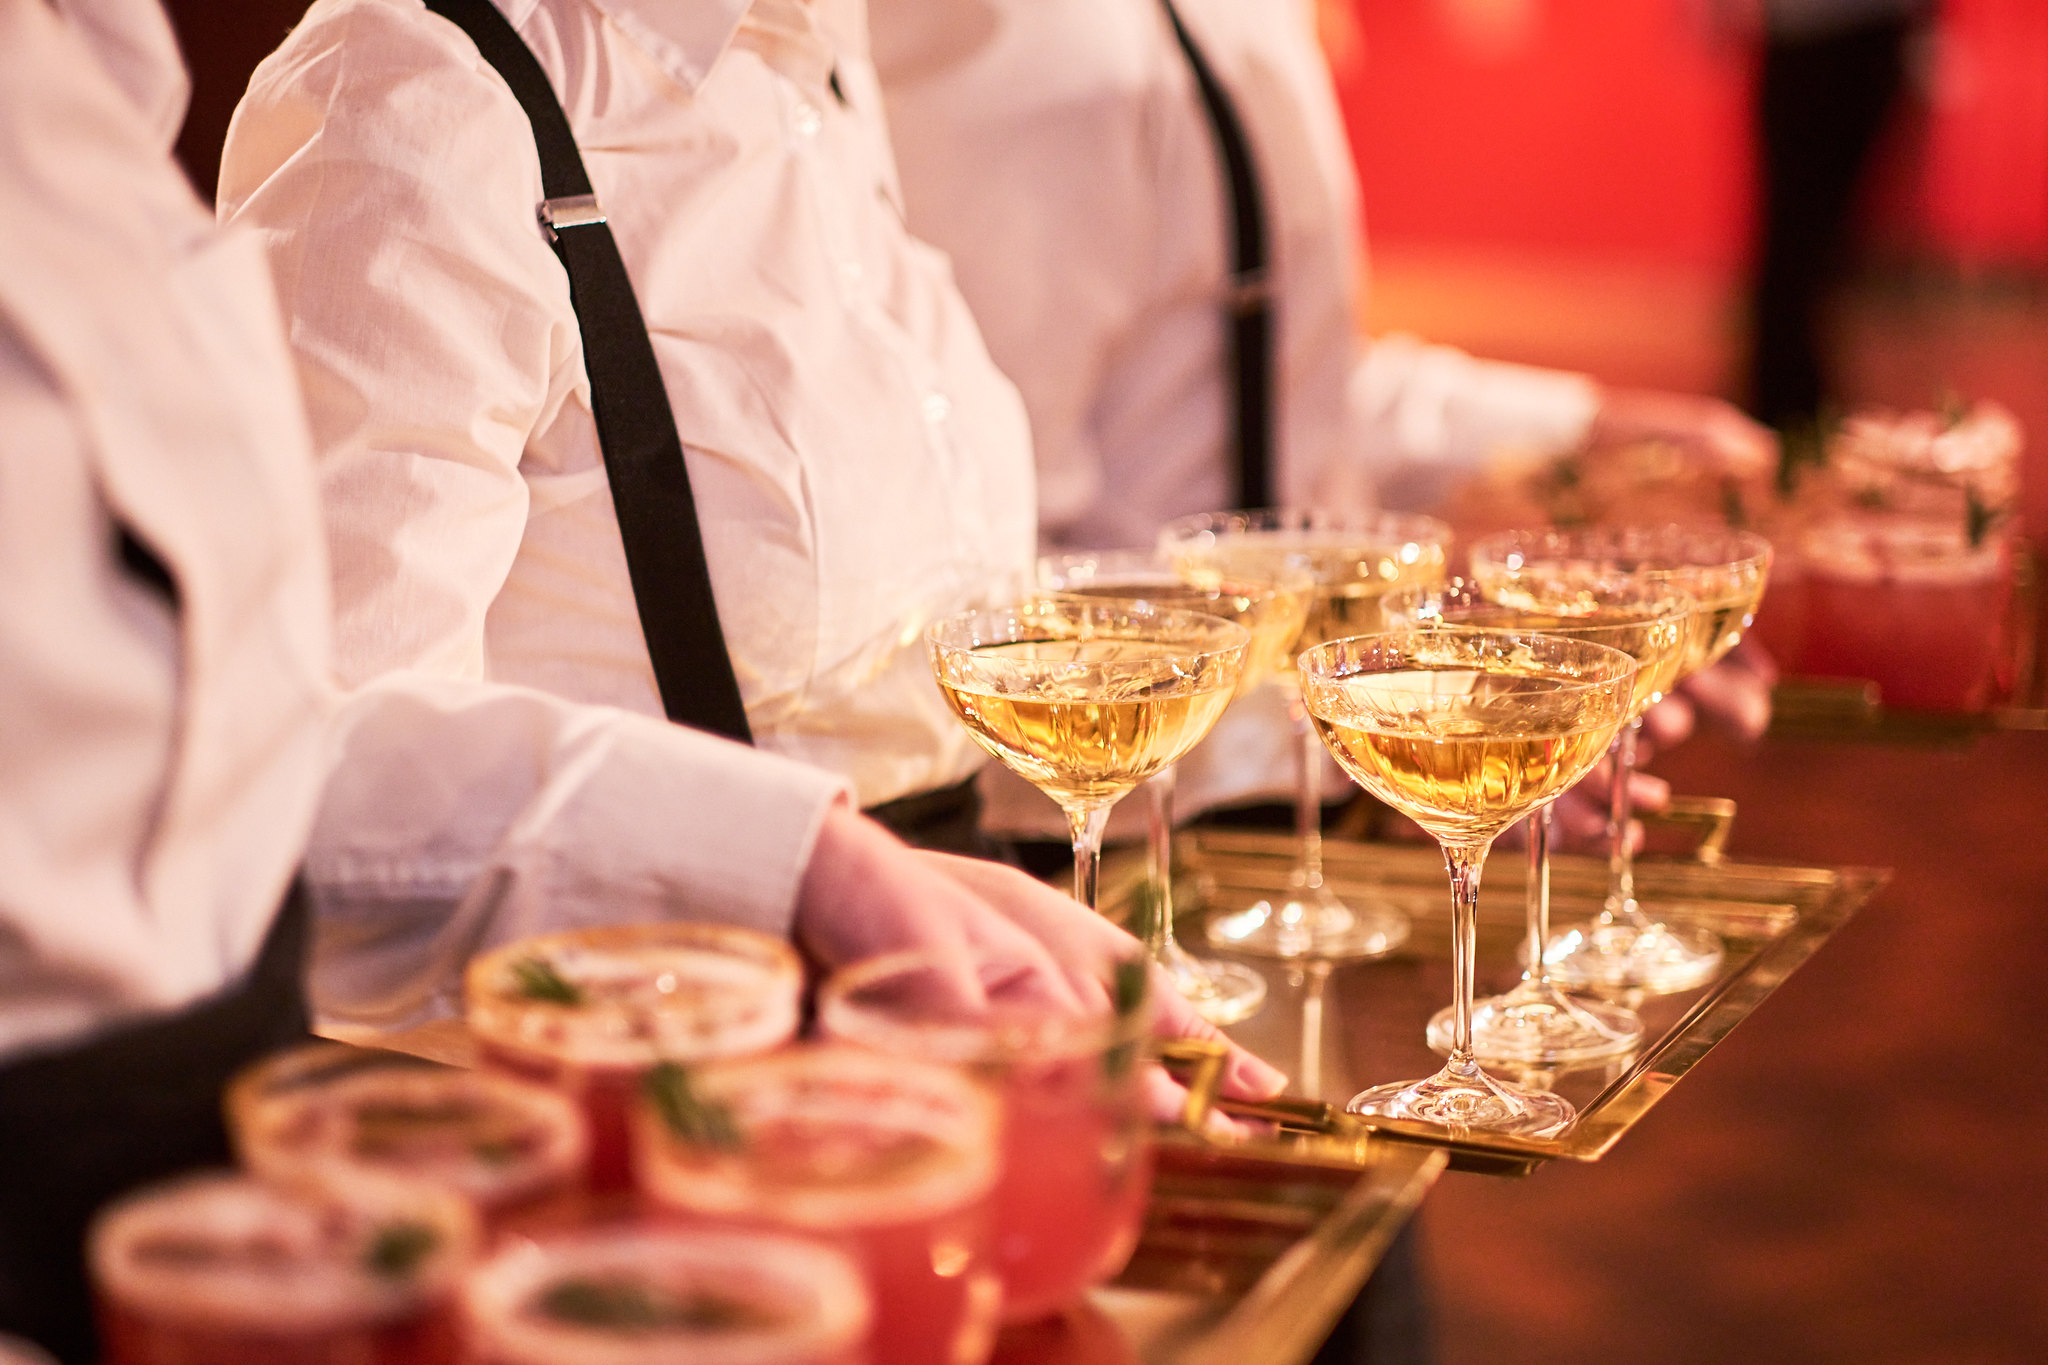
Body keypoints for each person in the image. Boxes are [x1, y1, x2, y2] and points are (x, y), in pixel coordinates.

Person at [0, 5, 1283, 1358]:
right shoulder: (407, 94)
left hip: (887, 1031)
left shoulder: (812, 65)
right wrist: (783, 874)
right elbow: (296, 773)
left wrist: (921, 896)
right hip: (613, 1156)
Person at [866, 0, 1776, 839]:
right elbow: (975, 539)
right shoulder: (1033, 47)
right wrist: (1412, 707)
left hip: (1277, 792)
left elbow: (1277, 383)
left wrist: (1585, 429)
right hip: (1133, 835)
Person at [216, 0, 1041, 856]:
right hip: (659, 961)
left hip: (959, 911)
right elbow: (344, 780)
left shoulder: (805, 50)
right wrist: (822, 882)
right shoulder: (417, 86)